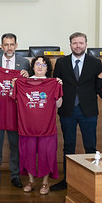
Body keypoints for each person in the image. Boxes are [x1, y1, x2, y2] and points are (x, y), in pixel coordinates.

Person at [51, 32, 102, 191]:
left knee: (90, 146)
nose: (78, 45)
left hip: (88, 110)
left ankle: (91, 180)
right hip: (68, 110)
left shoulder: (96, 63)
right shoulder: (61, 62)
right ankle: (68, 180)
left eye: (81, 43)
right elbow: (56, 87)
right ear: (70, 45)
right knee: (68, 146)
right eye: (75, 43)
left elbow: (98, 87)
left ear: (86, 44)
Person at [14, 55, 63, 195]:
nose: (40, 66)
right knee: (28, 154)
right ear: (33, 67)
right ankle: (30, 181)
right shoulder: (24, 82)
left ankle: (45, 183)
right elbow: (19, 102)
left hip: (47, 127)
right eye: (37, 64)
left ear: (48, 68)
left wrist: (59, 89)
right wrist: (15, 85)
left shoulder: (53, 83)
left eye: (43, 64)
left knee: (46, 155)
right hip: (27, 126)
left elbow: (59, 104)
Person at [0, 33, 28, 188]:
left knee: (14, 143)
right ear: (1, 46)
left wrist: (27, 75)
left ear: (16, 46)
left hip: (16, 109)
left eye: (12, 44)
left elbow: (28, 84)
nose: (9, 47)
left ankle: (15, 175)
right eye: (6, 44)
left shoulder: (24, 63)